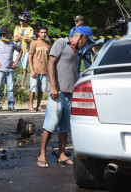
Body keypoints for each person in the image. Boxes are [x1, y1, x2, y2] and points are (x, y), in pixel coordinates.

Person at [37, 26, 92, 168]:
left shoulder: (76, 50)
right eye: (86, 40)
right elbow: (51, 63)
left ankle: (61, 154)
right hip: (58, 92)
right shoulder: (61, 42)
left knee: (65, 127)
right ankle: (42, 154)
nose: (85, 43)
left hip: (70, 93)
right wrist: (53, 86)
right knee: (51, 124)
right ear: (80, 37)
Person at [0, 27, 22, 112]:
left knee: (10, 88)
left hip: (9, 70)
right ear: (0, 35)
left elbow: (20, 51)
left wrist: (16, 62)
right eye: (1, 35)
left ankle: (11, 106)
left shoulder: (12, 43)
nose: (3, 36)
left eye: (4, 34)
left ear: (7, 34)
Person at [28, 26, 52, 113]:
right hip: (35, 69)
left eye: (45, 32)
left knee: (41, 90)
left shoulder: (49, 43)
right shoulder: (34, 42)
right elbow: (30, 56)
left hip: (44, 70)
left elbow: (51, 57)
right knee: (33, 89)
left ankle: (38, 105)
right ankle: (31, 105)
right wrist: (32, 70)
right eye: (42, 32)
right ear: (38, 33)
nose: (43, 34)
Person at [13, 10, 34, 89]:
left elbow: (29, 39)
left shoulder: (30, 29)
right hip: (17, 50)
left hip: (26, 50)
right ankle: (13, 83)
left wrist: (20, 37)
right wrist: (25, 37)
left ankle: (22, 84)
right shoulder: (17, 27)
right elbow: (15, 38)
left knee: (24, 68)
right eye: (20, 20)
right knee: (14, 66)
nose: (21, 22)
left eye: (22, 20)